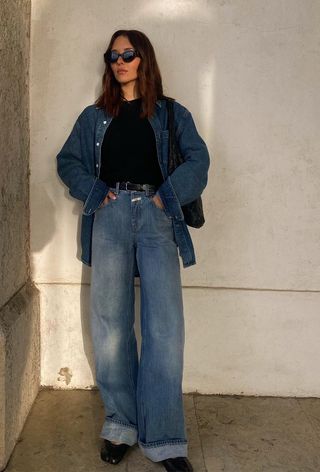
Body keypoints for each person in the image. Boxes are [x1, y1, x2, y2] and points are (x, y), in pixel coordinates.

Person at [56, 29, 210, 472]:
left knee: (164, 327)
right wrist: (95, 189)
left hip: (159, 217)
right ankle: (121, 426)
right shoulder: (94, 117)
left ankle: (164, 439)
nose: (119, 61)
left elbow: (199, 161)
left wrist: (167, 194)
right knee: (110, 325)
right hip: (111, 217)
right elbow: (68, 161)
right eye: (113, 55)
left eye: (128, 54)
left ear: (144, 59)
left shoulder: (170, 114)